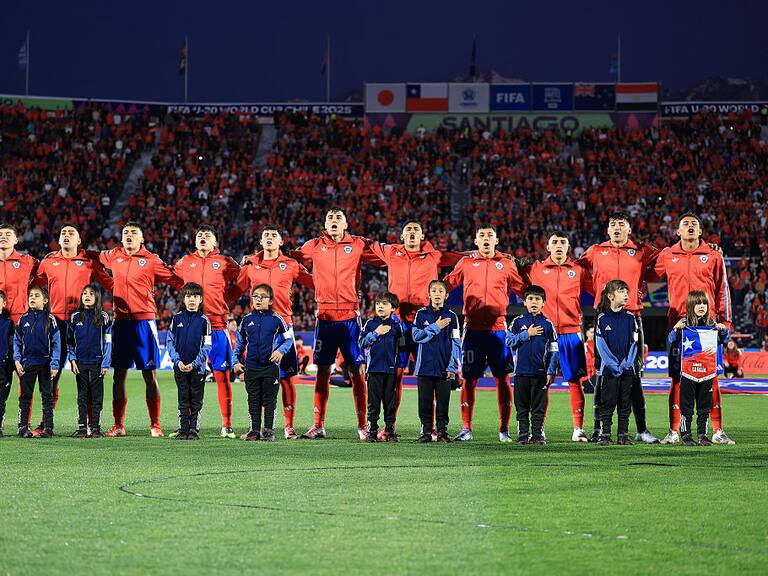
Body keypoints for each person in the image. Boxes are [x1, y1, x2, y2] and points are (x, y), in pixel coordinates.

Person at [366, 220, 463, 438]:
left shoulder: (433, 255)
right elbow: (366, 246)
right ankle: (389, 427)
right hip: (397, 324)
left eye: (416, 230)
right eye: (408, 230)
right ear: (401, 236)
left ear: (422, 237)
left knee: (432, 375)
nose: (411, 233)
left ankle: (431, 427)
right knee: (395, 376)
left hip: (424, 322)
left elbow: (460, 257)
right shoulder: (391, 252)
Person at [291, 208, 379, 440]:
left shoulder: (358, 244)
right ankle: (318, 424)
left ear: (346, 224)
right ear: (325, 223)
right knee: (322, 370)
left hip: (350, 316)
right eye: (330, 218)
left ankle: (363, 425)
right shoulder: (314, 245)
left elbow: (384, 257)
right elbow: (291, 257)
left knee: (357, 371)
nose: (334, 221)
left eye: (338, 218)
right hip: (325, 318)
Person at [649, 213, 735, 445]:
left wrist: (725, 323)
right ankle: (674, 431)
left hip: (708, 327)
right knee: (677, 379)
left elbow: (722, 290)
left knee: (711, 379)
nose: (689, 227)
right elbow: (646, 274)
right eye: (685, 224)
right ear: (677, 231)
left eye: (693, 225)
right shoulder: (667, 255)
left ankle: (717, 430)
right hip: (679, 327)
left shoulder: (713, 255)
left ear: (700, 232)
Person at [578, 212, 660, 444]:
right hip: (603, 317)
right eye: (612, 224)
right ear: (607, 230)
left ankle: (641, 429)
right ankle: (598, 429)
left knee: (634, 376)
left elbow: (662, 262)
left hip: (632, 316)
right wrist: (595, 291)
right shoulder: (595, 251)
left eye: (621, 225)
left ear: (629, 230)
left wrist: (638, 290)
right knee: (601, 376)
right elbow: (576, 269)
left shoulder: (641, 252)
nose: (616, 228)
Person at [99, 221, 183, 437]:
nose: (129, 235)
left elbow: (175, 279)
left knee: (150, 374)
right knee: (119, 375)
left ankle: (155, 425)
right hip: (121, 322)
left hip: (145, 322)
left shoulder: (151, 260)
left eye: (133, 233)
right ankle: (118, 425)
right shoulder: (113, 255)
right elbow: (92, 258)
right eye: (126, 232)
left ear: (141, 239)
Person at [444, 223, 525, 442]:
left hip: (499, 330)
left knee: (503, 380)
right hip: (472, 330)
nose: (486, 238)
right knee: (469, 380)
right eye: (482, 235)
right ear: (476, 241)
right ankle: (466, 429)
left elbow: (523, 289)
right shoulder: (466, 262)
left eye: (490, 235)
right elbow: (447, 285)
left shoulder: (506, 264)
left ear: (496, 241)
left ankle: (504, 430)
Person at [34, 224, 113, 435]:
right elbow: (34, 287)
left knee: (89, 376)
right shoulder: (48, 262)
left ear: (79, 240)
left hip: (84, 322)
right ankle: (46, 423)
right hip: (55, 323)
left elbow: (111, 283)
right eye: (63, 233)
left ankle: (90, 425)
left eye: (71, 233)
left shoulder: (89, 262)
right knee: (52, 374)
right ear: (58, 240)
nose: (66, 236)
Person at [236, 224, 313, 439]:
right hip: (258, 329)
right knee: (257, 380)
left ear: (281, 242)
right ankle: (255, 427)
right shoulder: (250, 265)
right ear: (261, 242)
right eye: (266, 235)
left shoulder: (291, 265)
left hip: (283, 327)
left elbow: (314, 282)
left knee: (287, 378)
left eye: (274, 235)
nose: (269, 238)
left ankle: (288, 426)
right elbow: (236, 288)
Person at [520, 231, 592, 442]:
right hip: (545, 334)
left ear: (568, 246)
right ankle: (537, 429)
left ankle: (578, 429)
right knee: (543, 382)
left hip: (571, 333)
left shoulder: (578, 270)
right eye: (555, 242)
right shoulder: (536, 269)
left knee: (574, 381)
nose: (559, 245)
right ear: (548, 247)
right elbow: (516, 282)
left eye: (562, 242)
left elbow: (598, 290)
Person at [174, 225, 240, 439]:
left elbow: (241, 280)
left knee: (223, 376)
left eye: (207, 235)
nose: (202, 237)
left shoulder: (225, 262)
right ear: (195, 242)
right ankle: (189, 424)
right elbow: (173, 279)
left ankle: (227, 425)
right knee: (189, 376)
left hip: (218, 326)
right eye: (199, 235)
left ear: (215, 243)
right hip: (192, 327)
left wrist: (225, 300)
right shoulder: (185, 262)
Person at [233, 284, 294, 442]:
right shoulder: (246, 320)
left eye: (262, 297)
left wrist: (280, 351)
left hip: (270, 367)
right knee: (253, 399)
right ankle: (254, 430)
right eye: (255, 297)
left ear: (271, 300)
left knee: (269, 400)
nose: (258, 300)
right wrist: (235, 361)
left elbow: (288, 341)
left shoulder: (277, 319)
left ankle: (268, 430)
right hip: (251, 366)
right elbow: (239, 344)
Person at [668, 291, 729, 446]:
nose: (702, 306)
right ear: (691, 305)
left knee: (704, 407)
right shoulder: (684, 323)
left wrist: (724, 331)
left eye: (704, 303)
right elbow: (670, 341)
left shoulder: (711, 323)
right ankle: (686, 435)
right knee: (686, 407)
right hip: (688, 372)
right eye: (698, 303)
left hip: (707, 372)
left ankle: (702, 435)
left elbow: (724, 341)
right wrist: (675, 330)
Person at [506, 285, 559, 445]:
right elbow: (509, 341)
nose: (533, 302)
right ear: (525, 302)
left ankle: (537, 435)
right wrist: (525, 334)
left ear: (543, 303)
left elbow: (554, 350)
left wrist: (551, 371)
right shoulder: (517, 322)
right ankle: (523, 435)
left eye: (537, 299)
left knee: (538, 407)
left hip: (540, 373)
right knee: (521, 407)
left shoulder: (548, 325)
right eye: (530, 299)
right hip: (521, 373)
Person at [412, 280, 461, 443]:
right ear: (429, 294)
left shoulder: (452, 316)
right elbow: (416, 337)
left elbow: (456, 342)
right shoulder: (421, 314)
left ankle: (442, 433)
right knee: (424, 402)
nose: (437, 293)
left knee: (443, 403)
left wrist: (453, 366)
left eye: (441, 291)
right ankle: (426, 432)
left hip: (444, 367)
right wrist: (436, 326)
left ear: (446, 295)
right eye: (434, 290)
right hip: (424, 367)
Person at [593, 280, 639, 446]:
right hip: (609, 371)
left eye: (627, 291)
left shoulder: (630, 318)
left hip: (627, 370)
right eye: (622, 291)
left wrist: (627, 363)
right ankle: (605, 434)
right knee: (607, 402)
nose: (626, 295)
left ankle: (623, 435)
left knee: (625, 403)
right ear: (611, 296)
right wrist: (613, 365)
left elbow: (635, 343)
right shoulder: (602, 318)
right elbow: (601, 345)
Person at [166, 283, 212, 441]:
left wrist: (195, 363)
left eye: (195, 296)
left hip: (197, 368)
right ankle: (183, 429)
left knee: (196, 399)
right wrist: (177, 361)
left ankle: (193, 429)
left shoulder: (205, 321)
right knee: (183, 398)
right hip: (180, 366)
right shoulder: (177, 318)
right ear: (183, 299)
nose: (192, 299)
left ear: (200, 300)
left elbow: (207, 346)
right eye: (188, 296)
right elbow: (170, 342)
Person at [14, 286, 61, 438]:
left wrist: (54, 364)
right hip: (28, 363)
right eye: (31, 296)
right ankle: (22, 427)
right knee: (25, 396)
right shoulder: (23, 319)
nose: (32, 298)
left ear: (45, 301)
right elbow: (17, 342)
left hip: (45, 364)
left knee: (47, 395)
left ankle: (48, 427)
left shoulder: (50, 319)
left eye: (37, 296)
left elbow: (56, 343)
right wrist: (17, 360)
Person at [359, 292, 406, 443]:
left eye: (384, 303)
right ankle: (372, 431)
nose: (380, 306)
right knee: (373, 402)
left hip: (391, 371)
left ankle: (389, 431)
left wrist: (400, 366)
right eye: (378, 303)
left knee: (390, 403)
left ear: (393, 308)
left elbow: (403, 348)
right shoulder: (370, 324)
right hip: (373, 370)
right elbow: (362, 343)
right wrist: (375, 333)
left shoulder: (397, 327)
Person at [67, 284, 112, 438]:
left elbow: (108, 342)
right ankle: (81, 427)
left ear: (97, 297)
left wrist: (105, 363)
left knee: (97, 396)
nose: (87, 296)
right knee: (82, 395)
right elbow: (70, 342)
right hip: (80, 363)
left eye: (91, 294)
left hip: (97, 362)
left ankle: (95, 428)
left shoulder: (103, 317)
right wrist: (72, 359)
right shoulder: (75, 317)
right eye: (84, 293)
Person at [0, 291, 13, 436]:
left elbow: (11, 345)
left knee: (1, 398)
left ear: (4, 304)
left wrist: (9, 365)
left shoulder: (8, 324)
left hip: (3, 366)